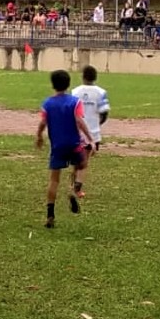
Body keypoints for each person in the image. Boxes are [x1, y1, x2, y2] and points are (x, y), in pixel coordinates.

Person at [35, 70, 96, 229]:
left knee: (54, 180)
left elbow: (42, 123)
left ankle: (50, 214)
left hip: (57, 146)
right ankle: (72, 190)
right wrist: (90, 138)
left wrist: (39, 136)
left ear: (52, 85)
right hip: (74, 145)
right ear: (68, 84)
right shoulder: (75, 102)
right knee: (82, 164)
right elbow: (79, 121)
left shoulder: (47, 104)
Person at [71, 66, 110, 198]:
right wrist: (98, 124)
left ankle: (74, 184)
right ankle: (77, 188)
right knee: (85, 160)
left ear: (82, 76)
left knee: (78, 159)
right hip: (92, 133)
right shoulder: (101, 92)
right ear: (95, 77)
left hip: (76, 132)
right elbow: (104, 113)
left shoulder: (75, 91)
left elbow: (71, 111)